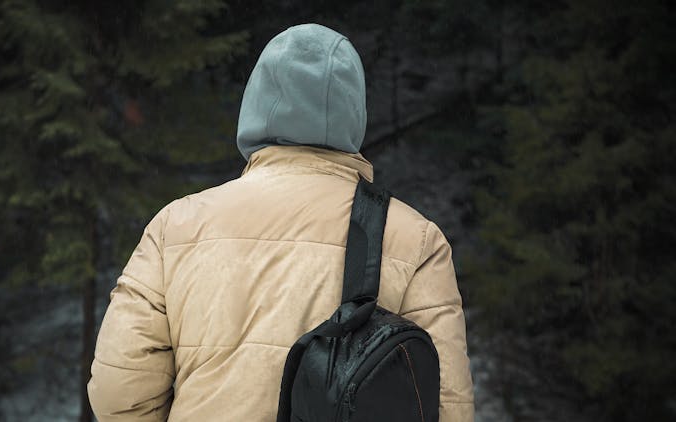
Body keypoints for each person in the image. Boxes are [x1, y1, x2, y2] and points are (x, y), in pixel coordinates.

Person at [87, 23, 474, 421]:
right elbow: (446, 408)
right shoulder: (416, 239)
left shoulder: (176, 226)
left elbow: (120, 393)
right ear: (355, 111)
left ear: (256, 103)